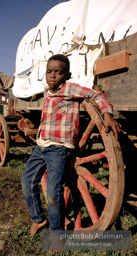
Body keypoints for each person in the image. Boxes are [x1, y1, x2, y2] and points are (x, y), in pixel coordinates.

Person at [21, 54, 121, 236]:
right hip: (40, 147)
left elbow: (95, 94)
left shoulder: (70, 89)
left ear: (66, 76)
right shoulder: (47, 92)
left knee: (53, 193)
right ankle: (38, 218)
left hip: (58, 150)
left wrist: (107, 114)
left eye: (58, 72)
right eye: (49, 71)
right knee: (27, 181)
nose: (52, 76)